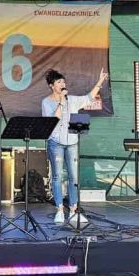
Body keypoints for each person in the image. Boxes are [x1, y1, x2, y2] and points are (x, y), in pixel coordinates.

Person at [41, 68, 108, 224]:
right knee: (57, 176)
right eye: (59, 82)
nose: (62, 84)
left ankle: (73, 209)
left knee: (74, 177)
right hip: (55, 142)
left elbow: (89, 97)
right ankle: (59, 209)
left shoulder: (72, 100)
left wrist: (100, 81)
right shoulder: (46, 102)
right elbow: (53, 120)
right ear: (52, 85)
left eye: (63, 82)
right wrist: (61, 101)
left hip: (72, 142)